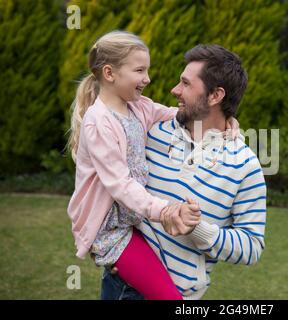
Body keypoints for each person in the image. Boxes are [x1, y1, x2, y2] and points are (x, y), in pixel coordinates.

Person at [101, 44, 267, 300]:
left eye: (186, 84)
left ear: (215, 96)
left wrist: (197, 229)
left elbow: (251, 247)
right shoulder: (151, 131)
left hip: (179, 296)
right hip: (122, 285)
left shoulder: (246, 166)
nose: (174, 90)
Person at [66, 30, 202, 300]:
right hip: (112, 232)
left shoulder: (138, 107)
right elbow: (120, 185)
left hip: (136, 221)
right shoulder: (99, 121)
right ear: (109, 73)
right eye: (140, 70)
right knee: (171, 298)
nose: (147, 79)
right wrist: (164, 210)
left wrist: (221, 121)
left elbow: (177, 115)